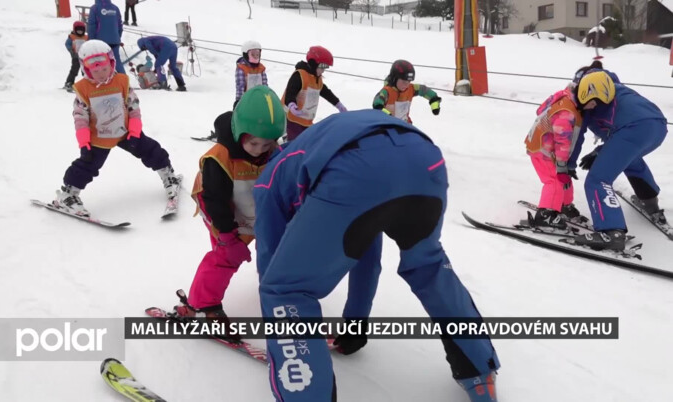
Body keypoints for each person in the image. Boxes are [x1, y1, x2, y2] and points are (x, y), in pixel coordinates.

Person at [253, 110, 500, 402]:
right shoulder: (308, 152)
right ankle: (478, 370)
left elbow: (272, 267)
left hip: (356, 166)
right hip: (423, 158)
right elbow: (363, 245)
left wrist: (280, 337)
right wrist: (355, 323)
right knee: (429, 265)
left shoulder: (267, 181)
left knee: (285, 291)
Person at [173, 86, 285, 336]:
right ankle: (202, 306)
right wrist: (227, 236)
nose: (259, 149)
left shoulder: (274, 152)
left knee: (277, 251)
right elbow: (215, 200)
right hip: (223, 212)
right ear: (238, 131)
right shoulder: (219, 158)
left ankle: (280, 295)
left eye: (267, 143)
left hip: (257, 209)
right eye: (253, 142)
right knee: (226, 257)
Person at [52, 40, 180, 216]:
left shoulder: (121, 81)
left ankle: (168, 175)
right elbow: (80, 118)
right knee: (87, 166)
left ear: (111, 63)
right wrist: (84, 143)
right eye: (95, 71)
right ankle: (68, 195)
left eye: (104, 69)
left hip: (125, 132)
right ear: (86, 68)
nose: (101, 74)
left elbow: (133, 108)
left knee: (151, 150)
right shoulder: (83, 89)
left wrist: (135, 133)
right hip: (99, 138)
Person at [571, 71, 668, 251]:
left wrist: (569, 164)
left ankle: (611, 232)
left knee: (598, 179)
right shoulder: (617, 89)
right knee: (630, 159)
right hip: (658, 128)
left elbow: (578, 136)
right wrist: (601, 150)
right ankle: (649, 202)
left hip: (633, 131)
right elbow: (622, 125)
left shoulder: (587, 103)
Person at [524, 87, 586, 230]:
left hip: (550, 151)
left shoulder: (567, 99)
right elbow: (562, 141)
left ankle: (564, 205)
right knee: (555, 180)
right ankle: (546, 214)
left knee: (565, 178)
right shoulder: (566, 112)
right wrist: (562, 165)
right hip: (543, 151)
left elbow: (540, 110)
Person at [281, 46, 347, 141]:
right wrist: (292, 105)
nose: (323, 70)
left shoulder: (317, 79)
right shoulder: (300, 75)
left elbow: (326, 92)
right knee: (296, 144)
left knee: (307, 143)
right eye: (322, 67)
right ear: (313, 63)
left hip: (307, 120)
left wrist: (338, 104)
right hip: (294, 119)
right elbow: (290, 92)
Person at [372, 59, 441, 123]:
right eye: (403, 81)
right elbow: (377, 103)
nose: (406, 85)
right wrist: (384, 113)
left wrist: (434, 100)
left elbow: (424, 90)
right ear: (394, 78)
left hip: (405, 124)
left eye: (409, 81)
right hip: (388, 125)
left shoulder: (411, 89)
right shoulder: (387, 91)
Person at [87, 0, 125, 74]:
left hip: (100, 42)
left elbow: (92, 26)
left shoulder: (94, 8)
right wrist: (117, 37)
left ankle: (103, 83)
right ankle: (125, 82)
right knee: (117, 63)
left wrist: (91, 40)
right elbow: (120, 25)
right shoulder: (115, 8)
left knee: (101, 64)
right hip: (114, 41)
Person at [234, 40, 268, 108]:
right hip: (246, 100)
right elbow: (240, 86)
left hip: (259, 99)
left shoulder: (261, 68)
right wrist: (238, 101)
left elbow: (265, 85)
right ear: (246, 54)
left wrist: (266, 97)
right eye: (253, 54)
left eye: (257, 54)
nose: (255, 57)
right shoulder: (241, 68)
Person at [63, 21, 89, 91]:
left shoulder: (86, 37)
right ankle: (69, 82)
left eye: (82, 30)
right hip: (76, 57)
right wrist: (71, 50)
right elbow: (67, 44)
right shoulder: (72, 37)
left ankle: (88, 83)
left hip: (85, 58)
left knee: (86, 71)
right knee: (74, 70)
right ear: (75, 29)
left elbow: (89, 44)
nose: (80, 31)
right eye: (78, 30)